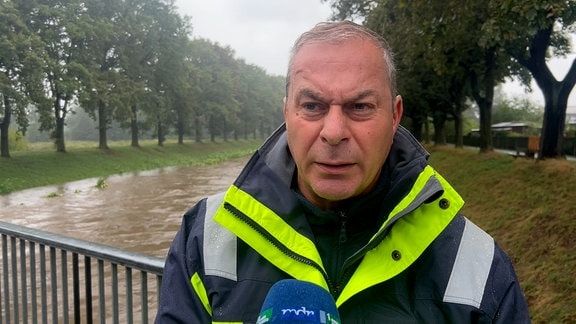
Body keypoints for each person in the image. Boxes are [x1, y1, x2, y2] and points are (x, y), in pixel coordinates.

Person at [155, 21, 530, 323]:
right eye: (313, 105)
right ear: (287, 113)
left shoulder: (478, 264)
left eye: (361, 106)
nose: (333, 132)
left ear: (395, 116)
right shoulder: (203, 237)